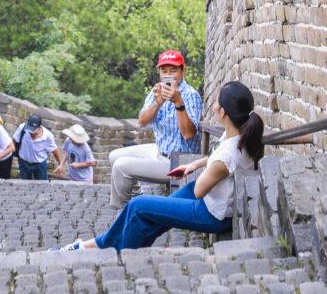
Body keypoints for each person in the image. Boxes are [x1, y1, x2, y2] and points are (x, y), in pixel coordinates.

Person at [54, 80, 264, 252]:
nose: (214, 105)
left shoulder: (227, 155)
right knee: (148, 219)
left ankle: (120, 255)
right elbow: (218, 160)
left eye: (217, 102)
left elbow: (200, 190)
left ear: (223, 112)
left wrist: (208, 168)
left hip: (211, 214)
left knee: (139, 205)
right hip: (212, 200)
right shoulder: (238, 135)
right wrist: (194, 164)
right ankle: (92, 246)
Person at [108, 49, 202, 208]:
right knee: (113, 156)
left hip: (177, 161)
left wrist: (178, 102)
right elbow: (142, 121)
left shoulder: (190, 95)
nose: (168, 75)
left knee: (120, 166)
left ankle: (124, 209)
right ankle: (136, 199)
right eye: (164, 71)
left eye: (173, 70)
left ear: (183, 70)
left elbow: (188, 134)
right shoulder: (157, 91)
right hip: (159, 150)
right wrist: (157, 104)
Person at [13, 113, 62, 181]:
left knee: (42, 184)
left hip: (40, 164)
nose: (30, 132)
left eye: (33, 130)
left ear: (39, 127)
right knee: (24, 184)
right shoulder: (22, 128)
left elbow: (54, 150)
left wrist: (60, 164)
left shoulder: (47, 136)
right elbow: (14, 140)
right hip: (24, 162)